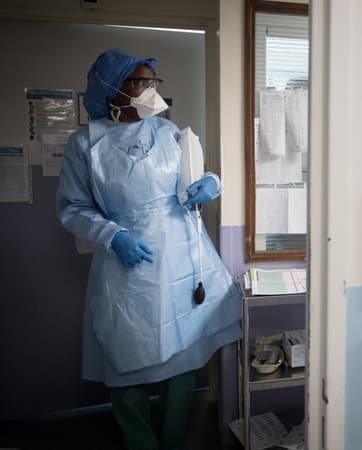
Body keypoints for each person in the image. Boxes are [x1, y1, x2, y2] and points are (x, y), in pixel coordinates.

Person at [55, 49, 242, 450]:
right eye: (141, 82)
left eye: (153, 82)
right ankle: (140, 442)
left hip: (182, 257)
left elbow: (196, 175)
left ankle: (172, 439)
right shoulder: (85, 145)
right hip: (126, 265)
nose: (150, 91)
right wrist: (112, 236)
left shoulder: (168, 134)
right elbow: (72, 207)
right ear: (112, 88)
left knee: (184, 356)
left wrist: (212, 182)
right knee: (125, 357)